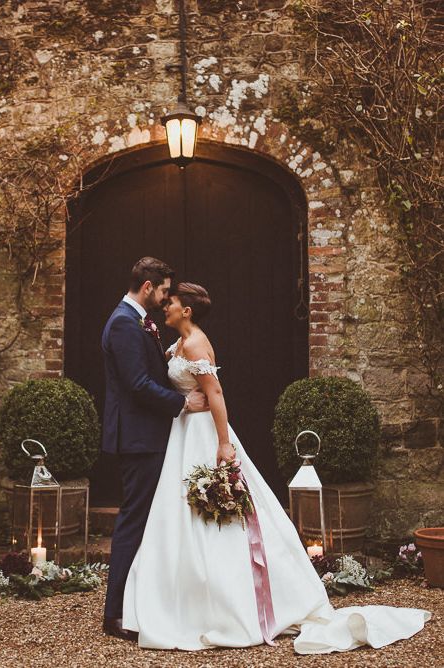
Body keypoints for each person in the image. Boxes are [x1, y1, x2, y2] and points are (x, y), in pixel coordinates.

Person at [121, 281, 431, 653]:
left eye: (169, 302)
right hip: (183, 432)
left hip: (203, 435)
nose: (164, 306)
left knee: (216, 512)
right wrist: (181, 399)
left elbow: (215, 392)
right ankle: (178, 596)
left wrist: (223, 443)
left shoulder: (196, 343)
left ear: (186, 310)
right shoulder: (179, 344)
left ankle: (231, 602)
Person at [101, 258, 209, 641]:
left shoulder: (135, 322)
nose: (166, 299)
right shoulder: (124, 324)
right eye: (163, 291)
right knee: (134, 521)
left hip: (147, 435)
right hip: (139, 438)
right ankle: (114, 614)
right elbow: (137, 384)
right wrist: (182, 404)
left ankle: (140, 603)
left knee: (149, 522)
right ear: (147, 287)